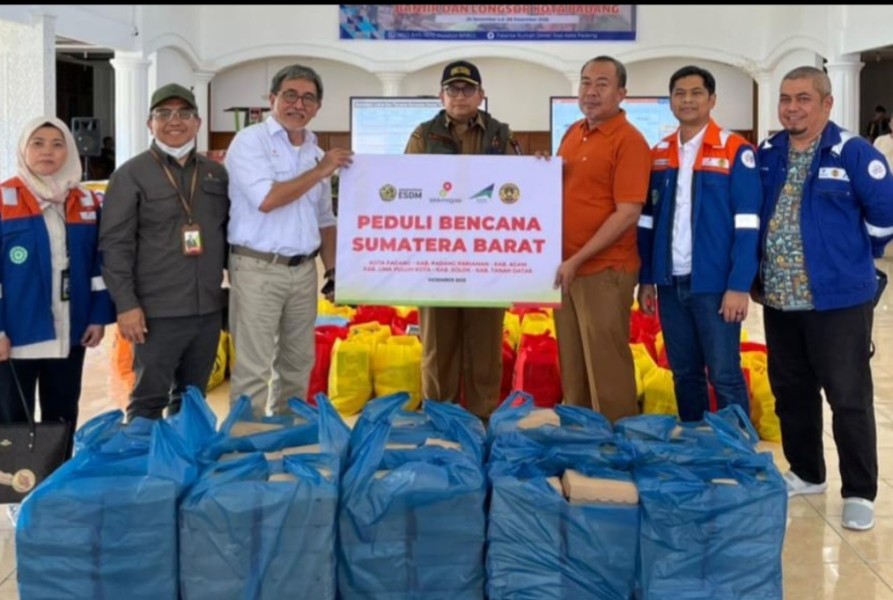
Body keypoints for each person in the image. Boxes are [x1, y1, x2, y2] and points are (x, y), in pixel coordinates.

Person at [756, 66, 893, 531]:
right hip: (780, 299)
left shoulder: (852, 151)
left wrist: (850, 258)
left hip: (837, 302)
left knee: (848, 397)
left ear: (827, 103)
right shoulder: (769, 153)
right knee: (792, 391)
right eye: (785, 98)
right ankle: (807, 472)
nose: (792, 107)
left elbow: (884, 216)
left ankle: (860, 491)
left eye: (803, 98)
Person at [636, 65, 762, 422]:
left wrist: (739, 286)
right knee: (684, 373)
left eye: (696, 93)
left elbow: (748, 225)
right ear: (671, 101)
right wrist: (647, 278)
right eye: (679, 93)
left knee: (724, 374)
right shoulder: (659, 154)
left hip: (715, 286)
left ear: (712, 100)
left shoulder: (735, 150)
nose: (687, 100)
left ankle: (736, 447)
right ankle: (696, 443)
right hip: (669, 284)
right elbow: (647, 221)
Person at [225, 64, 352, 417]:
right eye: (290, 95)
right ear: (272, 99)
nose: (299, 104)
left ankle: (286, 434)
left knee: (298, 364)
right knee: (254, 368)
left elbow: (325, 221)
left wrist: (333, 272)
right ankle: (244, 441)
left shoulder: (315, 152)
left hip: (304, 271)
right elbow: (267, 199)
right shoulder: (251, 141)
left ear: (318, 107)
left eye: (308, 98)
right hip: (258, 268)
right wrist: (321, 170)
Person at [100, 83, 230, 421]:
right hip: (156, 311)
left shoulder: (215, 173)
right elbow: (115, 245)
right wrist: (126, 305)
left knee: (193, 399)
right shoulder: (130, 175)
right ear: (150, 123)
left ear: (198, 122)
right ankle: (145, 455)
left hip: (207, 309)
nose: (175, 120)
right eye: (164, 113)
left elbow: (229, 235)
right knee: (148, 400)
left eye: (184, 113)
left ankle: (185, 454)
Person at [404, 59, 521, 420]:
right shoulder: (423, 135)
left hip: (487, 259)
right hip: (437, 259)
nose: (459, 96)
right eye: (452, 89)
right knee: (438, 349)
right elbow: (407, 186)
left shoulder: (501, 134)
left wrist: (539, 169)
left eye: (467, 89)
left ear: (481, 94)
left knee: (485, 349)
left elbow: (521, 189)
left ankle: (482, 421)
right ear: (441, 96)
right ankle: (440, 420)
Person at [0, 116, 115, 455]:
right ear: (24, 150)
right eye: (37, 144)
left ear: (69, 151)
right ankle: (16, 483)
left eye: (57, 144)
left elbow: (99, 265)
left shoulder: (86, 202)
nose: (47, 152)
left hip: (71, 331)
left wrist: (97, 317)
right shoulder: (4, 199)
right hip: (16, 336)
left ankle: (57, 477)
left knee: (63, 415)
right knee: (11, 421)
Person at [552, 56, 651, 424]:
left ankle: (615, 442)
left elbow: (627, 214)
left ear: (621, 93)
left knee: (606, 367)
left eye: (602, 84)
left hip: (604, 271)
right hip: (566, 270)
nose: (591, 91)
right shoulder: (573, 133)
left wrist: (577, 260)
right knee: (573, 365)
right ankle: (579, 437)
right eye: (585, 82)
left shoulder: (629, 141)